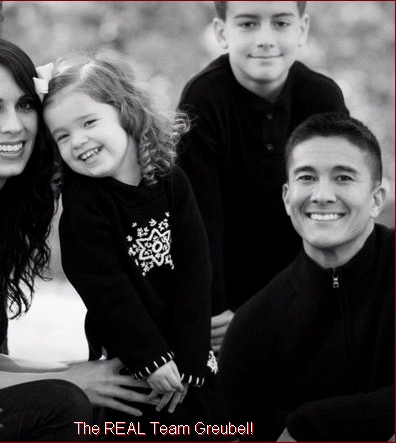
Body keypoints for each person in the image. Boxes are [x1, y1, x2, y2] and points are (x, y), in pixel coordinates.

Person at [0, 35, 158, 442]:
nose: (14, 125)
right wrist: (71, 383)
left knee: (111, 391)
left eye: (25, 105)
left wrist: (81, 373)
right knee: (66, 402)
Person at [42, 51, 217, 440]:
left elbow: (195, 267)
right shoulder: (85, 205)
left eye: (89, 122)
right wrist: (150, 358)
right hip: (131, 358)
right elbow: (107, 292)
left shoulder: (170, 180)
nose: (78, 141)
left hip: (189, 351)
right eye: (62, 136)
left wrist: (191, 356)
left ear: (125, 112)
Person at [177, 1, 349, 354]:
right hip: (228, 293)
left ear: (302, 29)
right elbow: (199, 217)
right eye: (248, 24)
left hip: (304, 287)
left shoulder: (322, 97)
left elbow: (338, 205)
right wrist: (214, 309)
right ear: (222, 32)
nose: (265, 39)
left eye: (281, 23)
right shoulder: (204, 99)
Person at [218, 112, 394, 441]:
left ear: (376, 199)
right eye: (307, 177)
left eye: (343, 177)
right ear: (287, 198)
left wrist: (310, 426)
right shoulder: (253, 327)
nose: (322, 195)